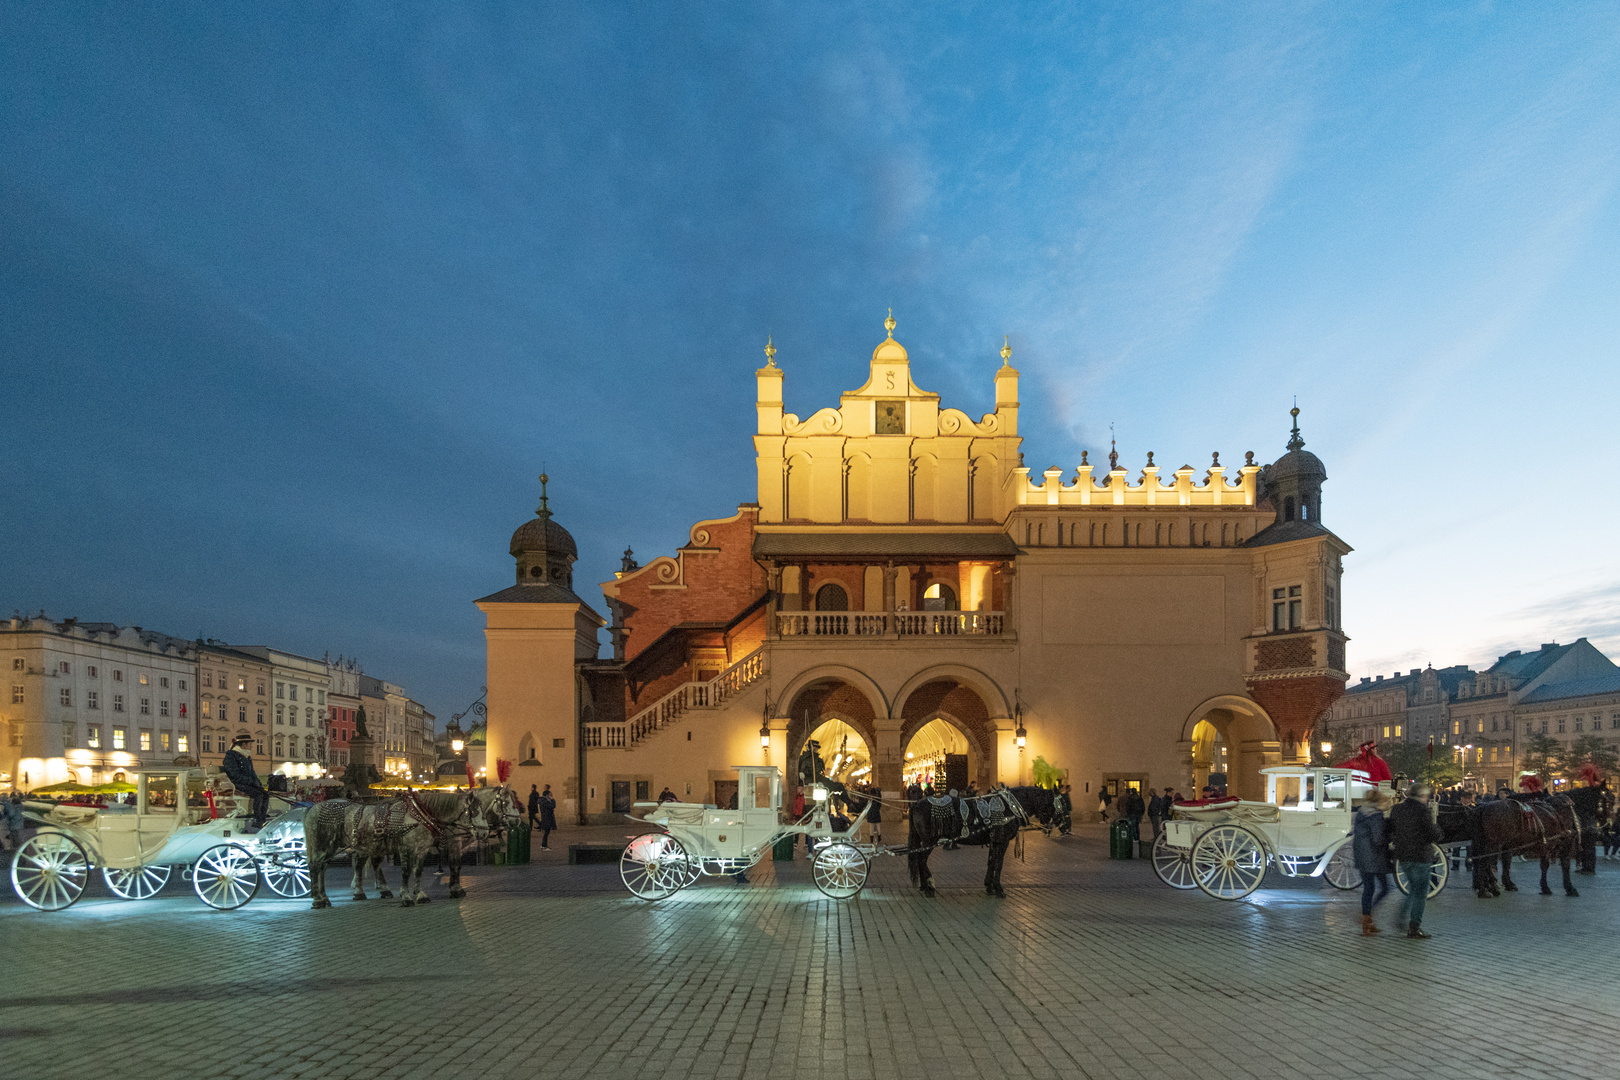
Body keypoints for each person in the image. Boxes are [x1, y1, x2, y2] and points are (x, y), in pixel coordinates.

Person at [1390, 782, 1443, 939]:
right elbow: (1432, 833)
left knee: (1413, 889)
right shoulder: (1422, 810)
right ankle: (1414, 927)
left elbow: (1391, 829)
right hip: (1420, 856)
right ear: (1422, 796)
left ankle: (1401, 917)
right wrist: (1439, 831)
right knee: (1420, 892)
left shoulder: (1397, 809)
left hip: (1403, 856)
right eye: (1426, 796)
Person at [1352, 787, 1393, 935]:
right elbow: (1378, 839)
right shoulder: (1376, 815)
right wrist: (1389, 839)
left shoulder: (1361, 813)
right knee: (1385, 888)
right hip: (1374, 857)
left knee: (1368, 888)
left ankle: (1367, 921)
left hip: (1361, 855)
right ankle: (1367, 918)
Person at [221, 734, 268, 830]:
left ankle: (262, 818)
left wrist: (257, 782)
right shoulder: (231, 757)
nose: (251, 746)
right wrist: (251, 781)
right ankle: (257, 819)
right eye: (250, 744)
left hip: (246, 783)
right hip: (237, 784)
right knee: (258, 794)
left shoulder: (246, 757)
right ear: (243, 745)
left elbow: (252, 773)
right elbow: (234, 775)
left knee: (265, 794)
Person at [536, 784, 557, 849]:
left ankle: (544, 845)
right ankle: (543, 846)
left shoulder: (543, 801)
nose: (551, 796)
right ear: (547, 795)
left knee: (546, 833)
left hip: (546, 819)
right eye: (550, 795)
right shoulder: (545, 802)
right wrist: (552, 800)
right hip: (546, 819)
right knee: (546, 833)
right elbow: (552, 806)